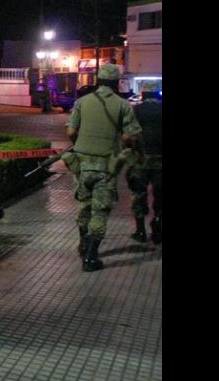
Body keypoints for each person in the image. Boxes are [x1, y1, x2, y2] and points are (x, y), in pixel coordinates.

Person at [65, 63, 142, 272]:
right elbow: (131, 136)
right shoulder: (123, 105)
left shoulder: (81, 102)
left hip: (81, 165)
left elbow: (71, 131)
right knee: (99, 211)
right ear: (116, 83)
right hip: (106, 167)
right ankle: (91, 257)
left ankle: (83, 244)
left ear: (98, 81)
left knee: (84, 206)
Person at [126, 81, 162, 244]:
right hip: (160, 160)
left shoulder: (135, 111)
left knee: (138, 193)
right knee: (160, 194)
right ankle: (158, 223)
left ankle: (140, 230)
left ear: (143, 95)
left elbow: (128, 135)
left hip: (140, 159)